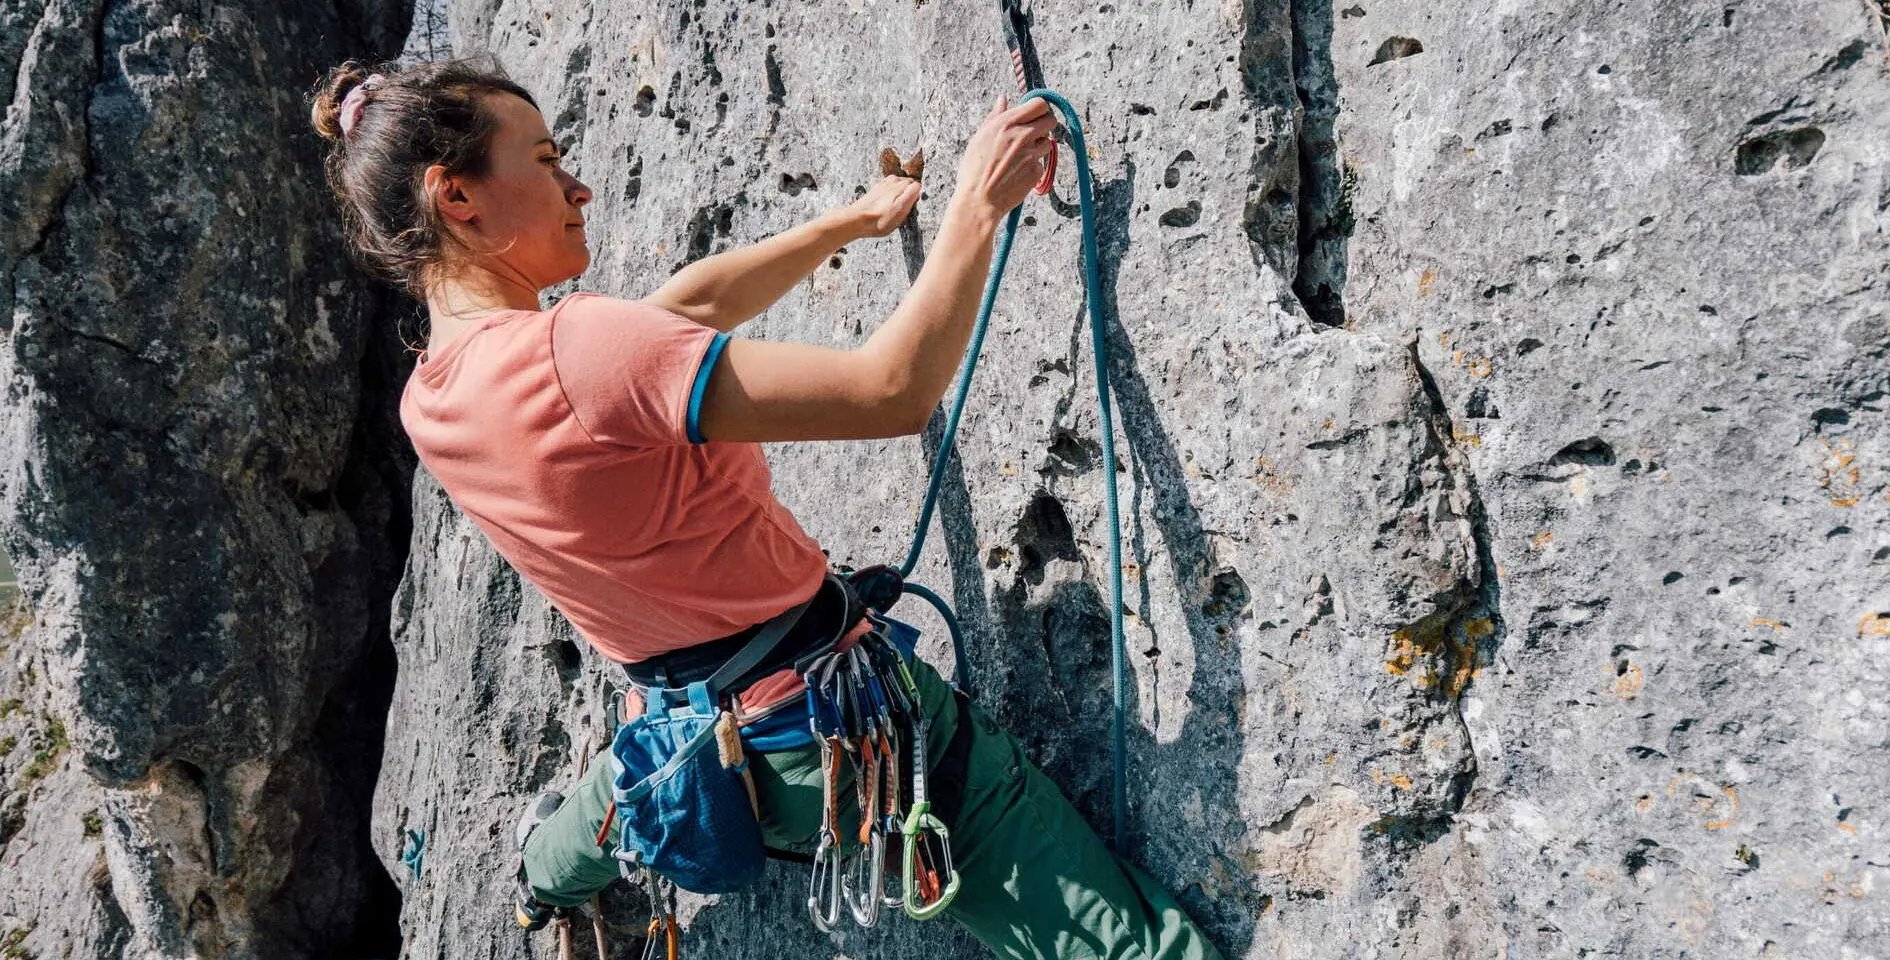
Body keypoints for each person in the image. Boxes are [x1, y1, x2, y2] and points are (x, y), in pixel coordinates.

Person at [310, 53, 1224, 960]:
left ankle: (545, 874)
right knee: (1126, 947)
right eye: (546, 161)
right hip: (837, 742)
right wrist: (978, 203)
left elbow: (682, 311)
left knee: (630, 773)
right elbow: (889, 392)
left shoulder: (432, 396)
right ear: (456, 199)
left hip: (711, 744)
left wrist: (849, 223)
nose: (578, 187)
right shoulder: (578, 351)